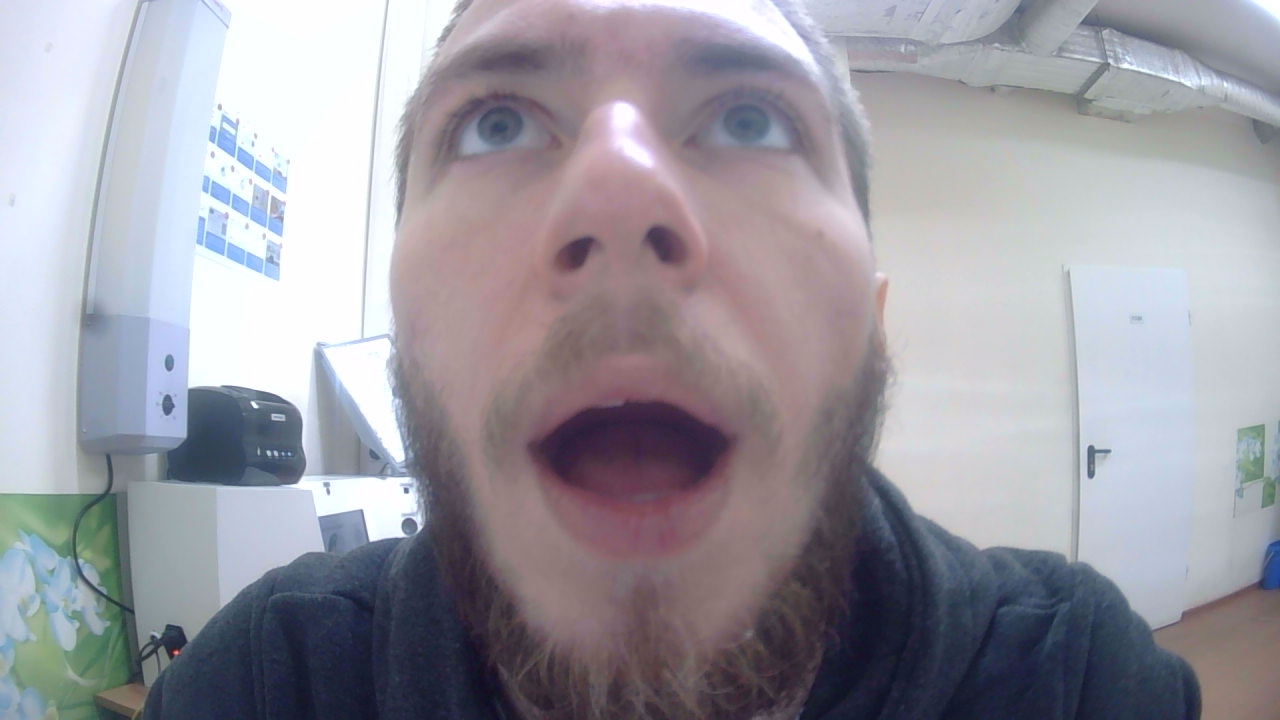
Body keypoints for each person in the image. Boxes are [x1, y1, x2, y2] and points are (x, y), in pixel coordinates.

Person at [142, 0, 1201, 718]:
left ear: (870, 328)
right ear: (406, 345)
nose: (617, 191)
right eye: (495, 124)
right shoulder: (265, 685)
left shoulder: (1077, 682)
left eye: (748, 118)